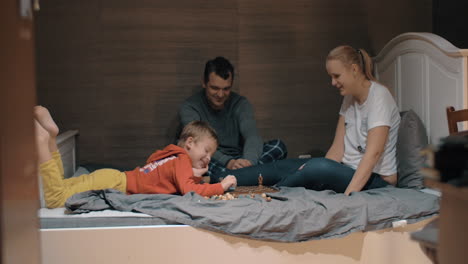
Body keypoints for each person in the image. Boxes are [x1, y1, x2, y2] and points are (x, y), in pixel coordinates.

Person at [216, 46, 400, 195]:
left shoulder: (379, 97)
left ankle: (267, 196)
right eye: (331, 77)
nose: (333, 82)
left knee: (315, 166)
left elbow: (373, 155)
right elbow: (336, 150)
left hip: (375, 180)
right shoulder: (349, 98)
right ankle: (222, 179)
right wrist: (314, 172)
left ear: (354, 69)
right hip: (345, 170)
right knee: (284, 166)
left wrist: (348, 196)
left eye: (337, 76)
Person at [34, 106, 237, 208]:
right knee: (55, 199)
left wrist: (192, 174)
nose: (209, 158)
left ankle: (52, 137)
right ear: (190, 143)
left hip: (113, 178)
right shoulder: (182, 160)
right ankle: (42, 140)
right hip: (116, 184)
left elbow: (158, 171)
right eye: (207, 151)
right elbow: (188, 190)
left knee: (62, 185)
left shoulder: (172, 155)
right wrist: (221, 186)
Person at [178, 56, 287, 182]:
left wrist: (248, 162)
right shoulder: (190, 106)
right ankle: (249, 176)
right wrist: (228, 162)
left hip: (240, 159)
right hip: (211, 159)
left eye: (226, 89)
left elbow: (252, 136)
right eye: (215, 88)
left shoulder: (240, 103)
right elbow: (195, 145)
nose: (220, 94)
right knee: (188, 155)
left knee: (278, 147)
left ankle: (239, 176)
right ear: (204, 82)